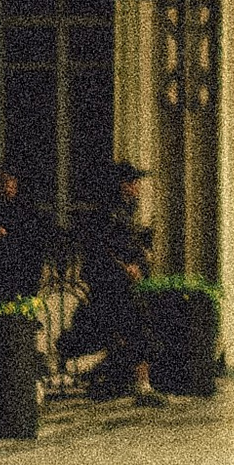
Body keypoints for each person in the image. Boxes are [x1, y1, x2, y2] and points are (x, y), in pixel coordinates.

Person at [72, 160, 163, 407]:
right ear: (122, 184)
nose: (137, 187)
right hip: (111, 281)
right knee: (133, 327)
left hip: (122, 280)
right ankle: (138, 384)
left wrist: (141, 256)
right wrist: (126, 266)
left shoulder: (126, 209)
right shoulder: (107, 212)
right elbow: (102, 246)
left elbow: (127, 241)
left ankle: (123, 381)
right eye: (133, 183)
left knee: (129, 329)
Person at [0, 163, 48, 307]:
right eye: (0, 182)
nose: (4, 186)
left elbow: (33, 238)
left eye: (7, 181)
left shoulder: (27, 209)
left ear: (15, 182)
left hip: (20, 269)